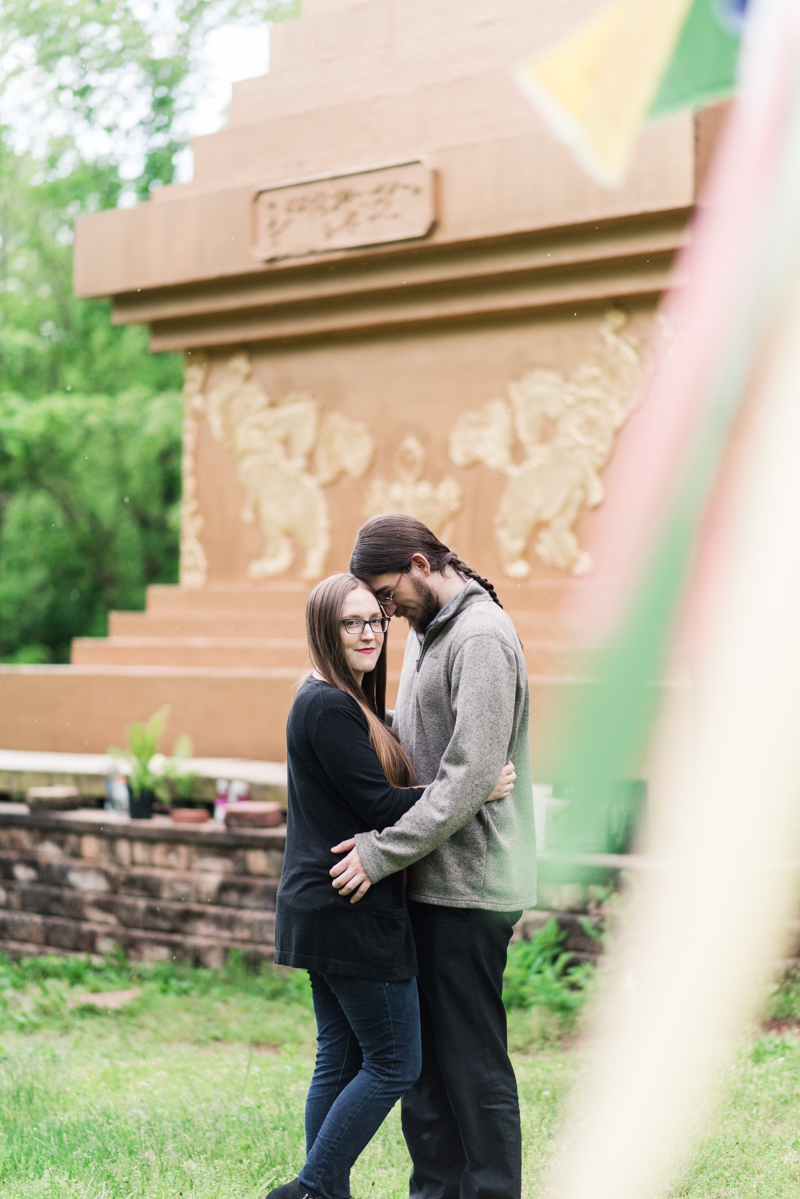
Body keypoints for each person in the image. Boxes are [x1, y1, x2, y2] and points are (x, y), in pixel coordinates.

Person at [268, 572, 515, 1199]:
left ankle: (324, 1191)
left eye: (374, 619)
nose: (368, 632)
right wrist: (469, 786)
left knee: (341, 1056)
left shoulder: (345, 701)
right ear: (325, 630)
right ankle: (313, 1188)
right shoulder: (326, 703)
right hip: (349, 906)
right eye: (350, 623)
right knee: (395, 1061)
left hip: (323, 905)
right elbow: (379, 804)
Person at [331, 516, 537, 1199]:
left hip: (471, 886)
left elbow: (470, 774)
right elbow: (433, 757)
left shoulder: (479, 637)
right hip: (428, 883)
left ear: (420, 563)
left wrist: (381, 852)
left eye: (388, 596)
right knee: (423, 1072)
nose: (384, 614)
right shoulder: (429, 631)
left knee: (471, 1065)